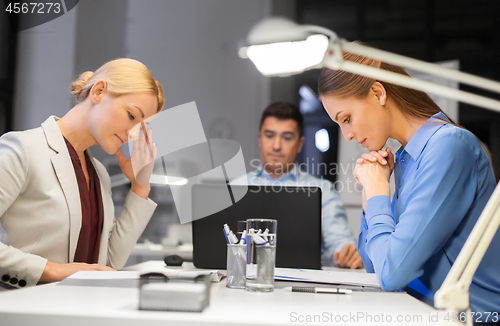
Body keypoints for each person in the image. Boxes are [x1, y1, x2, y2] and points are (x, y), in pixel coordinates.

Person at [318, 46, 500, 321]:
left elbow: (392, 273)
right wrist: (372, 195)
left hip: (472, 317)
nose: (348, 135)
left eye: (347, 119)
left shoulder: (448, 147)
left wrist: (379, 192)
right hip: (423, 312)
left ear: (378, 93)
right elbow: (375, 266)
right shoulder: (405, 158)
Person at [0, 58, 164, 288]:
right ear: (98, 91)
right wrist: (51, 270)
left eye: (140, 127)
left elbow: (108, 263)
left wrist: (140, 188)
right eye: (131, 116)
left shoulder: (98, 174)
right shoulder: (23, 149)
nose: (134, 135)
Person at [232, 102, 362, 269]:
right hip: (245, 280)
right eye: (270, 135)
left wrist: (346, 253)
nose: (277, 146)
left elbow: (339, 241)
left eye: (287, 137)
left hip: (303, 286)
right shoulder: (235, 188)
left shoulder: (322, 190)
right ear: (260, 139)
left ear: (300, 144)